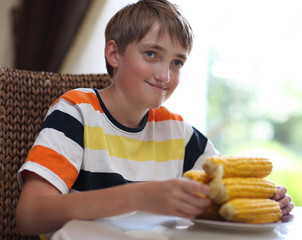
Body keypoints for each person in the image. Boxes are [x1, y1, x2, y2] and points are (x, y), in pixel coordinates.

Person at [16, 0, 294, 236]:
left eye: (177, 62)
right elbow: (30, 216)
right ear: (114, 54)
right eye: (152, 54)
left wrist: (266, 199)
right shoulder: (77, 112)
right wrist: (140, 196)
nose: (165, 76)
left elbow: (226, 191)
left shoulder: (177, 131)